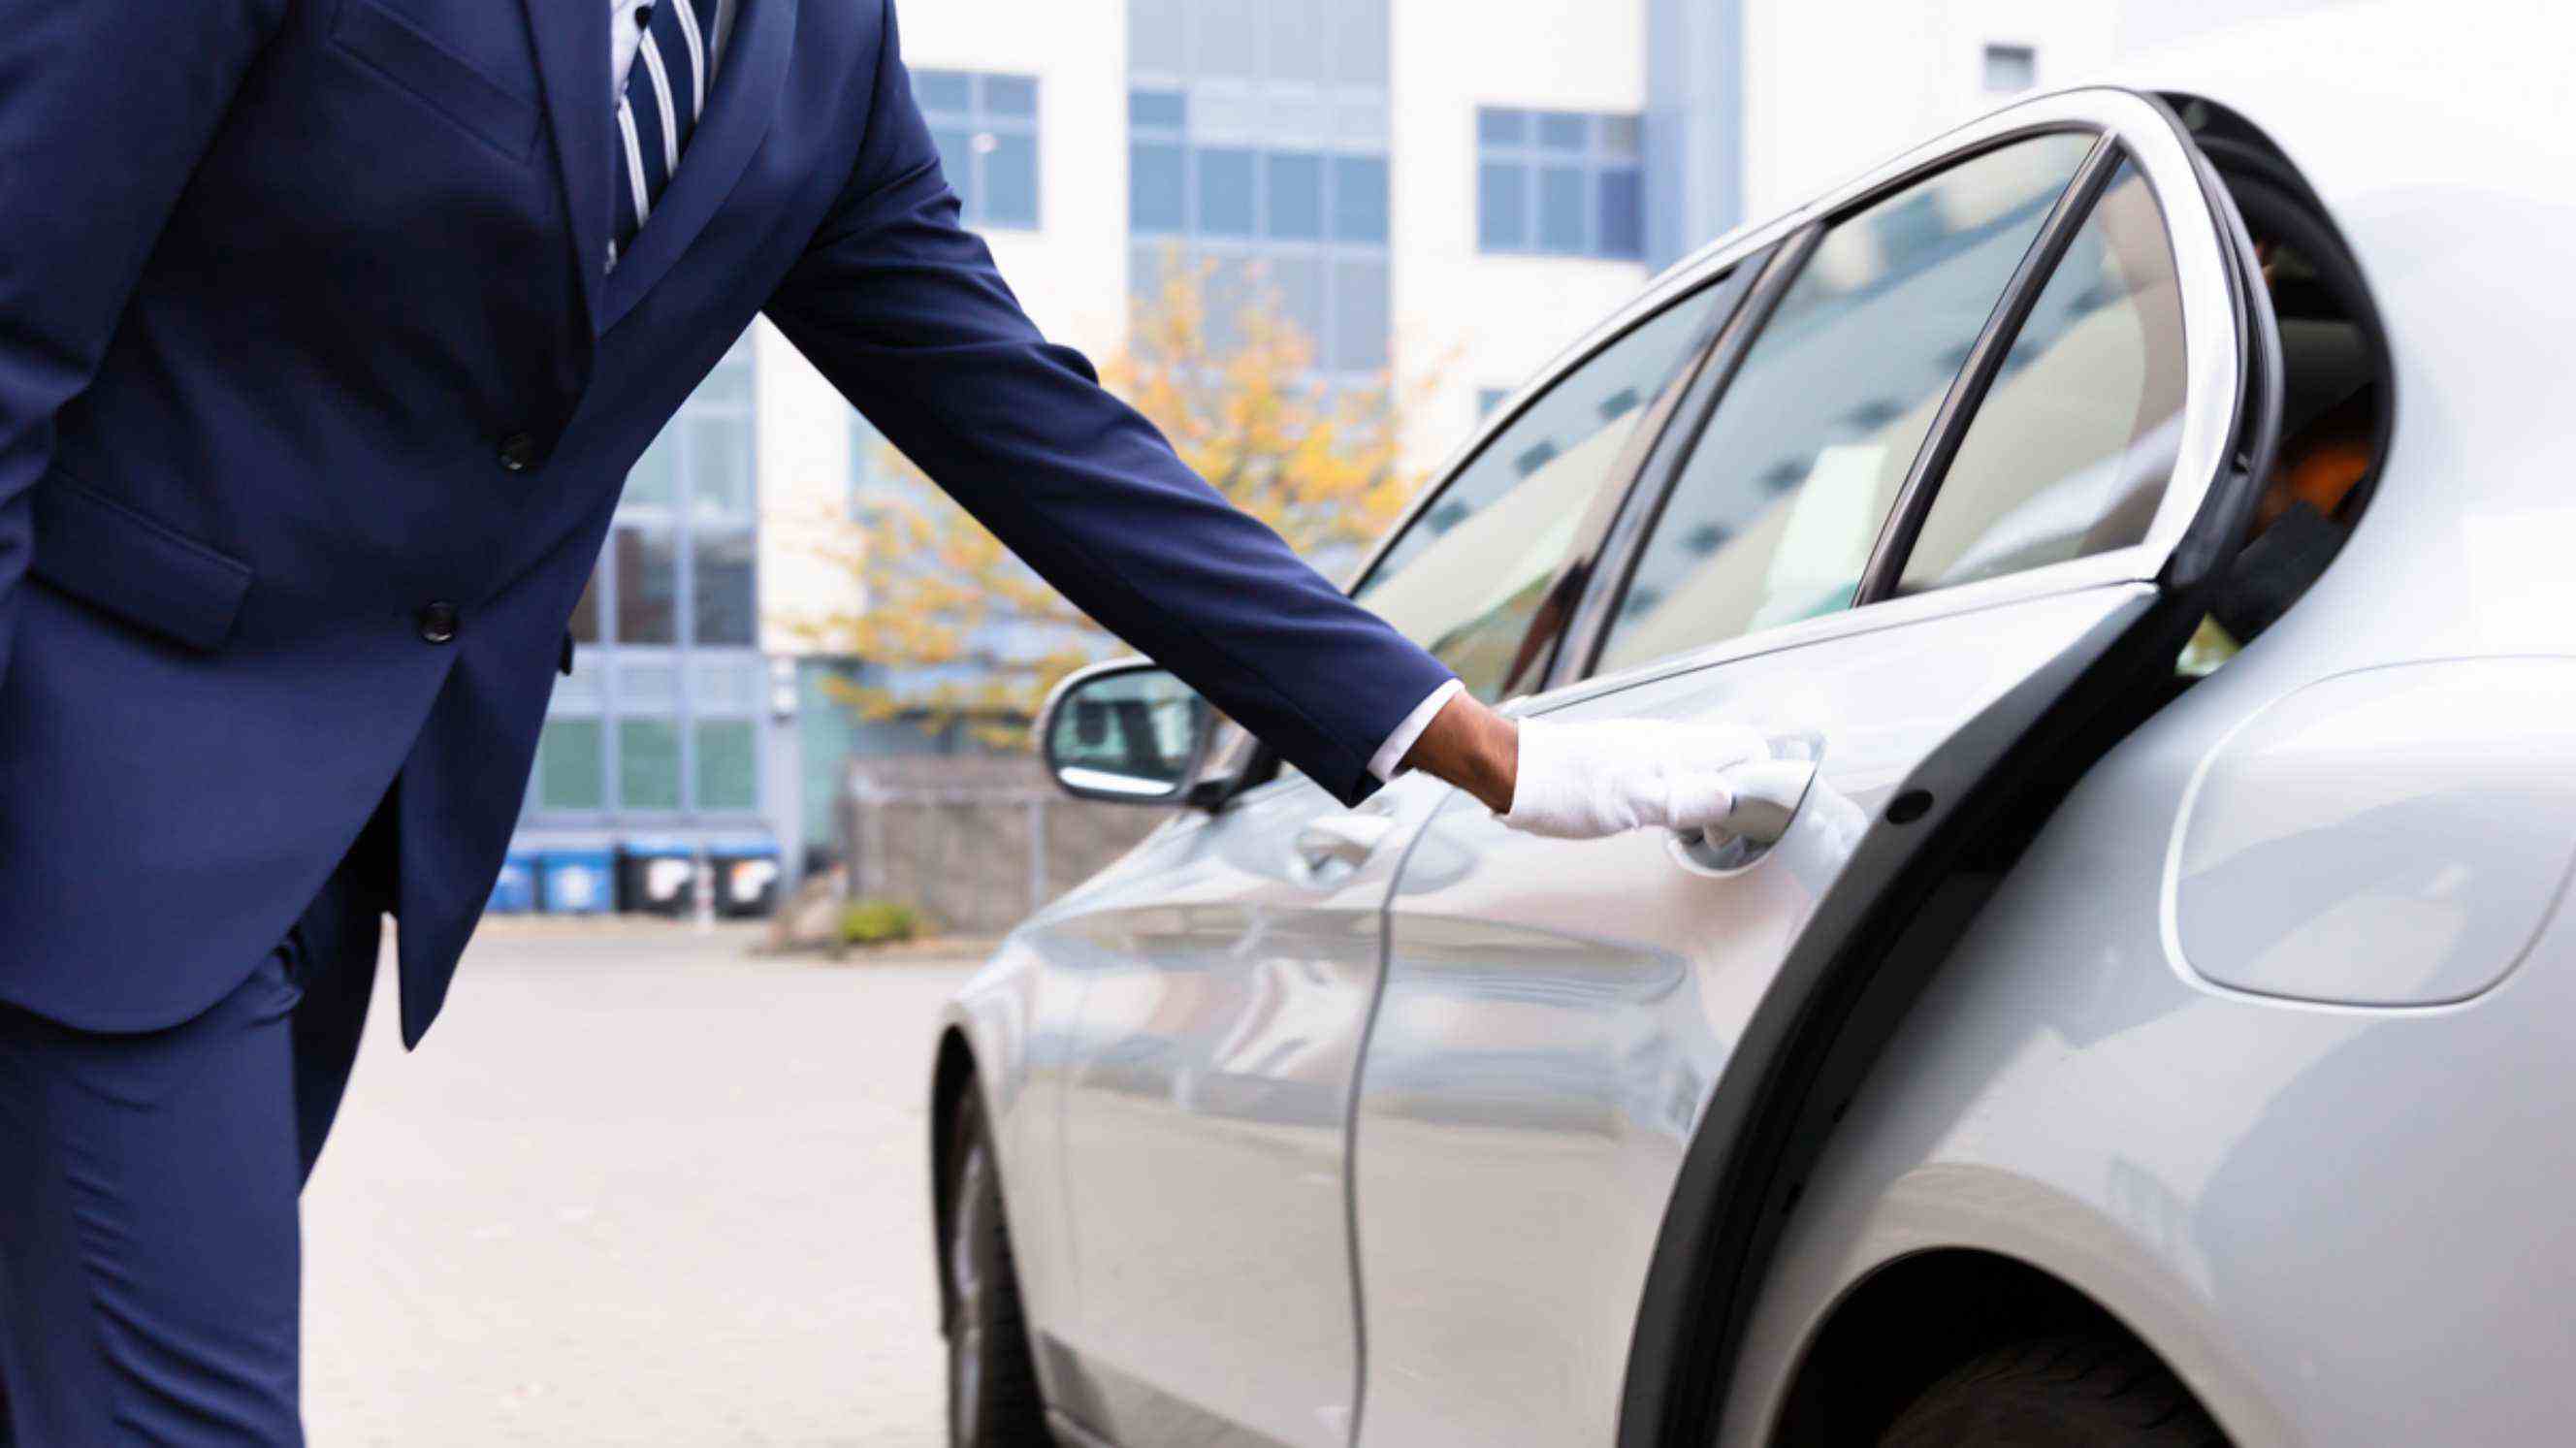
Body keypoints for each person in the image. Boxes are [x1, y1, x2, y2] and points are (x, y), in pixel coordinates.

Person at [0, 1, 1762, 1439]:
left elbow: (1027, 424)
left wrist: (1480, 745)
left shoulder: (812, 52)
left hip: (337, 842)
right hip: (85, 769)